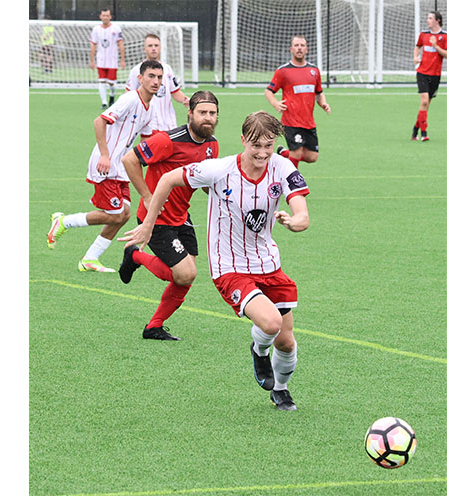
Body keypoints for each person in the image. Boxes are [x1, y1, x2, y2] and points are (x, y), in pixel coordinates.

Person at [120, 111, 310, 411]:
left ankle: (281, 390)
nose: (262, 153)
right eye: (256, 145)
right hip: (230, 267)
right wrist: (148, 223)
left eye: (268, 146)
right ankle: (259, 350)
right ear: (243, 140)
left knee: (286, 342)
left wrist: (294, 221)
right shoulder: (219, 170)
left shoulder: (282, 167)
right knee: (271, 323)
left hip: (268, 263)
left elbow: (302, 213)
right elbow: (168, 179)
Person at [118, 91, 220, 341]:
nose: (207, 118)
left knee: (185, 277)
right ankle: (135, 255)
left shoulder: (212, 145)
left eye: (212, 113)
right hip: (156, 218)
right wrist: (146, 196)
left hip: (181, 216)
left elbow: (204, 181)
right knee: (185, 274)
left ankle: (154, 327)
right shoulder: (167, 140)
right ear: (190, 113)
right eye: (202, 112)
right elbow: (130, 159)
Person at [47, 60, 164, 272]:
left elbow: (147, 141)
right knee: (116, 213)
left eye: (159, 77)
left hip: (121, 167)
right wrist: (104, 155)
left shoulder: (151, 108)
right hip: (105, 164)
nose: (155, 81)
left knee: (124, 214)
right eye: (151, 76)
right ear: (140, 78)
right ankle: (64, 221)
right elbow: (99, 121)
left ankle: (90, 259)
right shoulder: (130, 99)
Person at [265, 35, 330, 169]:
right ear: (291, 49)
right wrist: (276, 103)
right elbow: (269, 91)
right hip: (291, 121)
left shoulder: (314, 71)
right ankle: (292, 179)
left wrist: (323, 103)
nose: (299, 48)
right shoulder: (283, 71)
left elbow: (319, 92)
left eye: (302, 45)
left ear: (307, 49)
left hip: (308, 122)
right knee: (297, 153)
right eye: (296, 45)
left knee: (312, 157)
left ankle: (283, 154)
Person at [125, 33, 190, 132]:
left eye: (156, 45)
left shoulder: (167, 68)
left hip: (169, 123)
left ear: (160, 48)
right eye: (150, 46)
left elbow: (175, 92)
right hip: (149, 123)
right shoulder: (136, 70)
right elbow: (129, 94)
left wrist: (185, 99)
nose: (153, 48)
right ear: (144, 49)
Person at [411, 11, 447, 141]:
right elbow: (417, 46)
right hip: (422, 73)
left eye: (430, 18)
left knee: (425, 106)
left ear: (438, 20)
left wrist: (436, 46)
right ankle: (424, 133)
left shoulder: (445, 36)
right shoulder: (423, 34)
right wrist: (415, 57)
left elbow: (447, 54)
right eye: (428, 18)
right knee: (424, 101)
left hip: (435, 75)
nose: (428, 20)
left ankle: (415, 130)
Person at [90, 8, 126, 109]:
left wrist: (122, 60)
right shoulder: (96, 29)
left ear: (110, 17)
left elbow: (120, 44)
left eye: (107, 15)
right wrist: (92, 60)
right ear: (100, 17)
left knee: (111, 83)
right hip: (101, 59)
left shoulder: (116, 28)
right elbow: (93, 45)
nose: (105, 17)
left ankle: (112, 95)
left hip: (112, 60)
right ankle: (104, 103)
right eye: (103, 15)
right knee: (101, 80)